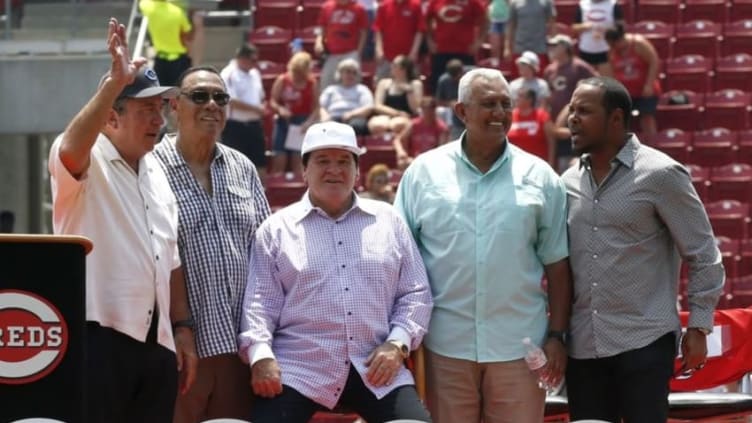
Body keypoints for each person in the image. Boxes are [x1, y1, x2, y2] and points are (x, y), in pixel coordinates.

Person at [394, 68, 572, 423]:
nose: (500, 113)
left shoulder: (541, 177)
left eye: (506, 104)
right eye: (488, 104)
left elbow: (558, 266)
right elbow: (401, 261)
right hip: (444, 348)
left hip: (520, 348)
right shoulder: (422, 173)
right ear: (461, 112)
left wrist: (557, 335)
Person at [47, 18, 197, 422]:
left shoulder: (159, 173)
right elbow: (69, 150)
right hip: (97, 337)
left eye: (160, 109)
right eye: (146, 109)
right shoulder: (87, 157)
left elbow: (172, 259)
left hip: (157, 344)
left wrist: (181, 327)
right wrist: (112, 84)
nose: (158, 120)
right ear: (111, 118)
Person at [238, 121, 434, 423]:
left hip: (376, 367)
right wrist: (261, 355)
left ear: (357, 170)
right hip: (300, 368)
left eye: (344, 161)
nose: (335, 170)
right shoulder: (276, 230)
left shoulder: (389, 220)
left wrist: (397, 343)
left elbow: (415, 292)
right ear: (304, 170)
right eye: (323, 161)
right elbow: (259, 304)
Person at [562, 76, 725, 423]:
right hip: (583, 348)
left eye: (584, 111)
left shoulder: (662, 175)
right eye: (571, 110)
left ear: (617, 118)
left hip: (644, 343)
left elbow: (703, 254)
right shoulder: (566, 182)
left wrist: (699, 326)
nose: (572, 119)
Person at [153, 65, 271, 423]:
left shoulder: (243, 168)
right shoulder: (150, 167)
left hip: (240, 349)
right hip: (178, 349)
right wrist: (178, 329)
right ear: (174, 105)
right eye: (199, 96)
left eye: (220, 97)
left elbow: (268, 255)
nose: (212, 105)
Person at [543, 34, 595, 171]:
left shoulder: (579, 67)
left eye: (556, 45)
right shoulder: (549, 70)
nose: (552, 48)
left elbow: (596, 84)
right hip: (556, 119)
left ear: (566, 47)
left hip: (576, 116)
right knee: (561, 161)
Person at [269, 51, 320, 176]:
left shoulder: (312, 83)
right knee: (279, 157)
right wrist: (280, 109)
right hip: (284, 121)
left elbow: (317, 108)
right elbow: (272, 101)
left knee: (298, 160)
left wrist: (308, 123)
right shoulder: (283, 80)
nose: (297, 76)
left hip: (301, 122)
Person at [605, 23, 661, 135]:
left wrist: (649, 85)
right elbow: (611, 72)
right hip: (627, 92)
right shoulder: (611, 51)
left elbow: (654, 61)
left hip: (645, 90)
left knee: (647, 117)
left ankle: (652, 145)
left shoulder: (638, 44)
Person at [220, 43, 267, 168]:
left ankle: (260, 188)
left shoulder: (255, 73)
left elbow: (261, 96)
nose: (255, 63)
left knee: (259, 163)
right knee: (235, 165)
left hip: (255, 125)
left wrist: (262, 107)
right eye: (253, 60)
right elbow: (230, 100)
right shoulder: (228, 73)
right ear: (242, 58)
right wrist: (256, 109)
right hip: (236, 126)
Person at [425, 0, 488, 92]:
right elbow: (427, 20)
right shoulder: (435, 2)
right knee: (438, 85)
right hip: (441, 51)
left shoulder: (473, 2)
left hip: (465, 51)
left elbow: (485, 20)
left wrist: (479, 42)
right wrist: (430, 41)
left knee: (467, 86)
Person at [315, 0, 369, 90]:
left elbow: (363, 32)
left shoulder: (359, 8)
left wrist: (358, 52)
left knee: (353, 86)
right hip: (332, 54)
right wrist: (319, 41)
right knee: (326, 84)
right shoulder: (327, 7)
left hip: (350, 53)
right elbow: (321, 28)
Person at [139, 0, 193, 86]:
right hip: (179, 61)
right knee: (180, 93)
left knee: (160, 93)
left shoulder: (147, 6)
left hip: (161, 60)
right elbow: (187, 34)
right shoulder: (177, 12)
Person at [367, 55, 423, 136]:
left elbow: (415, 109)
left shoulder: (415, 84)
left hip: (405, 117)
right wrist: (397, 113)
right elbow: (377, 106)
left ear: (404, 69)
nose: (391, 67)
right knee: (377, 125)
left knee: (397, 125)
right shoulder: (383, 83)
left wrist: (409, 91)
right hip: (386, 115)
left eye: (395, 65)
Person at [319, 58, 374, 135]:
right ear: (340, 73)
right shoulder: (330, 89)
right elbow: (321, 107)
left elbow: (368, 108)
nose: (351, 75)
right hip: (333, 118)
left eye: (354, 73)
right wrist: (325, 117)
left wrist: (351, 114)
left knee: (356, 126)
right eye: (348, 72)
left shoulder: (362, 89)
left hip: (354, 119)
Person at [372, 0, 425, 80]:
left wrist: (414, 52)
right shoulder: (384, 5)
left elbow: (420, 31)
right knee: (381, 83)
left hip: (408, 57)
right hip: (387, 56)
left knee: (412, 85)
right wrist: (378, 49)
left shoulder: (416, 5)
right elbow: (378, 29)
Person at [393, 96, 449, 169]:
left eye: (430, 109)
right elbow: (398, 140)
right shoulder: (414, 124)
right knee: (402, 163)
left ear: (434, 110)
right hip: (413, 159)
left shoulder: (441, 128)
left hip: (432, 161)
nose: (427, 113)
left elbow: (441, 151)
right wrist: (401, 151)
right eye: (425, 109)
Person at [571, 0, 624, 76]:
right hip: (586, 50)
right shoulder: (583, 4)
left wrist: (606, 30)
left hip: (606, 50)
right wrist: (585, 27)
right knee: (587, 82)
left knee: (606, 82)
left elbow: (621, 28)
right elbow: (574, 28)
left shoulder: (613, 4)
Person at [507, 88, 556, 166]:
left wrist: (551, 162)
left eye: (520, 96)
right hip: (514, 164)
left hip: (538, 164)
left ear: (529, 100)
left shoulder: (542, 116)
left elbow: (551, 141)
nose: (516, 99)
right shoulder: (510, 116)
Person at [505, 0, 556, 65]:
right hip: (520, 49)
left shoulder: (547, 2)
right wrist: (507, 48)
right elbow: (510, 26)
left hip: (540, 49)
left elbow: (552, 25)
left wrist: (553, 48)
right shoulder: (514, 2)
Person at [434, 59, 465, 140]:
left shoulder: (472, 76)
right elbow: (438, 101)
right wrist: (450, 103)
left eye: (457, 76)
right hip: (456, 119)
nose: (455, 79)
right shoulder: (444, 81)